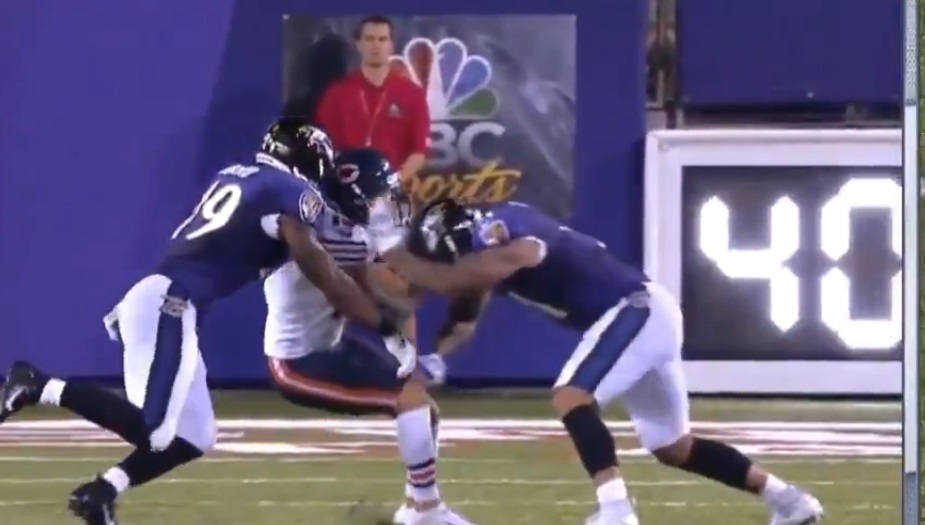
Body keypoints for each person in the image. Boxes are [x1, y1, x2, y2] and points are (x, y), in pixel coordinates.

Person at [0, 119, 416, 525]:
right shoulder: (292, 193)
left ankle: (102, 491)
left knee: (194, 434)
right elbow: (328, 279)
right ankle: (39, 384)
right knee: (156, 430)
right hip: (170, 303)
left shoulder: (240, 176)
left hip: (162, 300)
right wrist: (384, 325)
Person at [365, 198, 826, 525]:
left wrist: (389, 249)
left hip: (636, 309)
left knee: (572, 396)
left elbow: (457, 278)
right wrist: (436, 358)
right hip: (648, 315)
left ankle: (616, 511)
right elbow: (463, 316)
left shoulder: (506, 231)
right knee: (672, 445)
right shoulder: (483, 253)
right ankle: (788, 500)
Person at [262, 148, 468, 525]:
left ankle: (417, 507)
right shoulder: (332, 237)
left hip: (329, 346)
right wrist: (436, 266)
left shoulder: (341, 229)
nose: (388, 205)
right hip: (297, 362)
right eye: (380, 196)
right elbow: (387, 295)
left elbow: (394, 301)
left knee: (424, 407)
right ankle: (428, 511)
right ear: (356, 198)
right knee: (410, 402)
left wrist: (408, 357)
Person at [315, 14, 430, 349]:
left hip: (388, 206)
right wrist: (343, 188)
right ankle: (339, 359)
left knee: (397, 287)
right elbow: (324, 149)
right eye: (369, 39)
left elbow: (418, 153)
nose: (376, 46)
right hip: (342, 205)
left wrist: (387, 185)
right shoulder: (338, 94)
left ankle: (409, 365)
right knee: (341, 284)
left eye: (382, 39)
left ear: (391, 45)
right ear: (358, 44)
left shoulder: (410, 94)